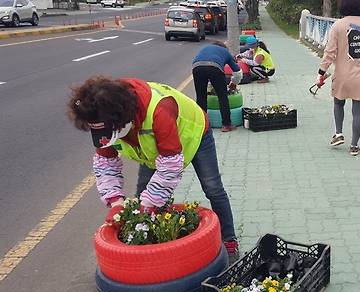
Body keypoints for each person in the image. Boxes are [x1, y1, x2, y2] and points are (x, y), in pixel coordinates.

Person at [68, 76, 241, 262]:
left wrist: (149, 203)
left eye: (109, 132)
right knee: (143, 193)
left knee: (212, 187)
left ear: (124, 119)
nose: (105, 137)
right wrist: (115, 202)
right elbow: (105, 164)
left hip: (194, 135)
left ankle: (229, 239)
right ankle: (148, 241)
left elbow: (169, 166)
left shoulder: (159, 109)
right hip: (153, 150)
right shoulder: (103, 117)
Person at [316, 0, 360, 156]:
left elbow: (330, 52)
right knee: (358, 113)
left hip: (342, 75)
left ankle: (338, 133)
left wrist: (321, 73)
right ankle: (354, 146)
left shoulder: (338, 25)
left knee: (338, 103)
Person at [192, 41, 243, 133]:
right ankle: (226, 125)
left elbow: (203, 65)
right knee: (222, 97)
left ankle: (202, 126)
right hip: (215, 68)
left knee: (201, 97)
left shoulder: (205, 48)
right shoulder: (225, 52)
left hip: (197, 67)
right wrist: (234, 83)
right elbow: (238, 72)